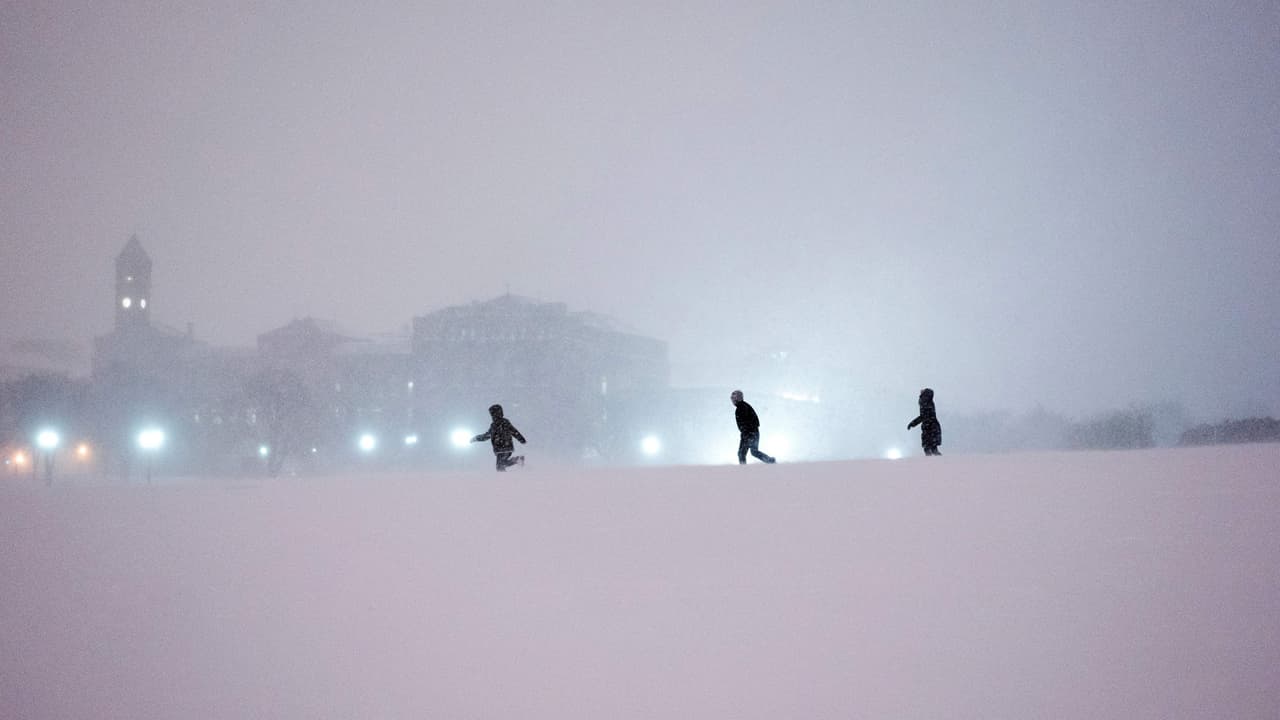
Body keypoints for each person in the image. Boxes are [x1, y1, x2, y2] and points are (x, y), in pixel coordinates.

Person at [471, 403, 526, 471]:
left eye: (492, 414)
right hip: (504, 447)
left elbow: (514, 431)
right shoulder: (497, 424)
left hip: (503, 447)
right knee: (501, 465)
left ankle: (517, 460)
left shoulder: (499, 424)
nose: (491, 416)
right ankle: (516, 461)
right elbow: (514, 432)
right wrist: (477, 438)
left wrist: (521, 439)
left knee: (500, 466)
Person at [730, 389, 776, 464]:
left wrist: (746, 433)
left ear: (738, 398)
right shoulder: (744, 406)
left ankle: (743, 470)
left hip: (749, 433)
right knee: (754, 452)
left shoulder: (741, 408)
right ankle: (770, 461)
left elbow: (746, 423)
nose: (732, 401)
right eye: (732, 399)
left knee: (741, 453)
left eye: (734, 398)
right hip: (754, 432)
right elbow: (753, 421)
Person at [907, 388, 942, 456]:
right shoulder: (930, 402)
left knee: (928, 449)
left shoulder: (924, 402)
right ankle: (938, 463)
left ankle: (929, 463)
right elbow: (925, 416)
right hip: (933, 426)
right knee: (934, 448)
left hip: (928, 427)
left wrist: (912, 423)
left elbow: (923, 416)